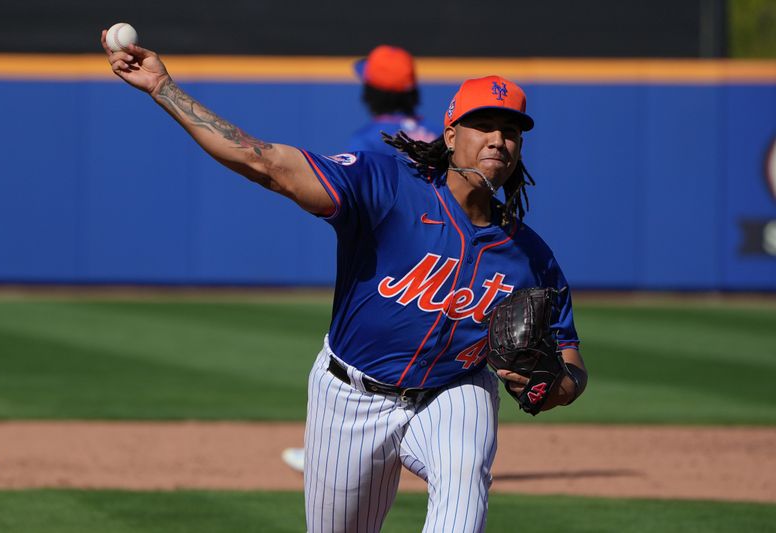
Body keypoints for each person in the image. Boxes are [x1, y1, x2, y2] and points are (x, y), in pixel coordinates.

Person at [102, 31, 588, 533]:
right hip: (351, 396)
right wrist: (164, 87)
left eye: (510, 131)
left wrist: (562, 386)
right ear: (449, 135)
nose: (497, 140)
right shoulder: (388, 185)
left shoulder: (531, 257)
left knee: (464, 485)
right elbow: (264, 162)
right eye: (482, 125)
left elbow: (571, 359)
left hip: (454, 392)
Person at [281, 44, 439, 475]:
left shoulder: (372, 140)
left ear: (374, 90)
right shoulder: (435, 135)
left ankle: (330, 450)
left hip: (390, 262)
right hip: (438, 265)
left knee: (350, 351)